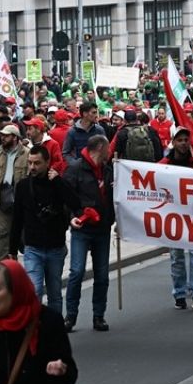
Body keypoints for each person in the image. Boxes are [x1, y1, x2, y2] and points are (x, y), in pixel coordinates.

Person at [9, 145, 75, 315]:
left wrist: (59, 182)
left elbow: (75, 203)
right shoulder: (23, 186)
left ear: (47, 162)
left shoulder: (57, 184)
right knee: (35, 290)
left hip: (55, 247)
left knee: (54, 294)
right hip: (33, 248)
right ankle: (35, 330)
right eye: (30, 163)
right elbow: (17, 219)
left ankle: (55, 332)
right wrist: (12, 250)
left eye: (37, 163)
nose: (32, 167)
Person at [62, 135, 115, 332]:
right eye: (107, 148)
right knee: (76, 272)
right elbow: (65, 196)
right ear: (100, 148)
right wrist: (72, 217)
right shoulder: (76, 169)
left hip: (102, 229)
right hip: (82, 229)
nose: (110, 152)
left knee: (102, 275)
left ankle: (98, 315)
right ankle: (71, 316)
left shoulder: (108, 170)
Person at [160, 128, 193, 311]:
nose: (183, 143)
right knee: (176, 256)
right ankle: (179, 293)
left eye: (186, 139)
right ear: (173, 142)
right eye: (179, 140)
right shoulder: (164, 164)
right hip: (174, 216)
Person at [0, 125, 29, 260]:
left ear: (15, 137)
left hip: (20, 199)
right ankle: (6, 265)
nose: (3, 138)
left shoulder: (27, 154)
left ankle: (29, 258)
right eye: (2, 135)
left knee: (23, 232)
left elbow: (30, 178)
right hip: (3, 197)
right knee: (4, 233)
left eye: (6, 136)